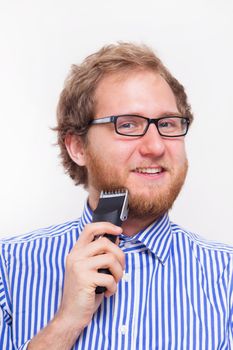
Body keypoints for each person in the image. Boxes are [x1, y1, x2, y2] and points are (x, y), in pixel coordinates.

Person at [0, 42, 232, 350]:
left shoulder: (226, 278)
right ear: (78, 147)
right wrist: (65, 323)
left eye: (167, 124)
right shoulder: (8, 268)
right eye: (128, 125)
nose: (156, 146)